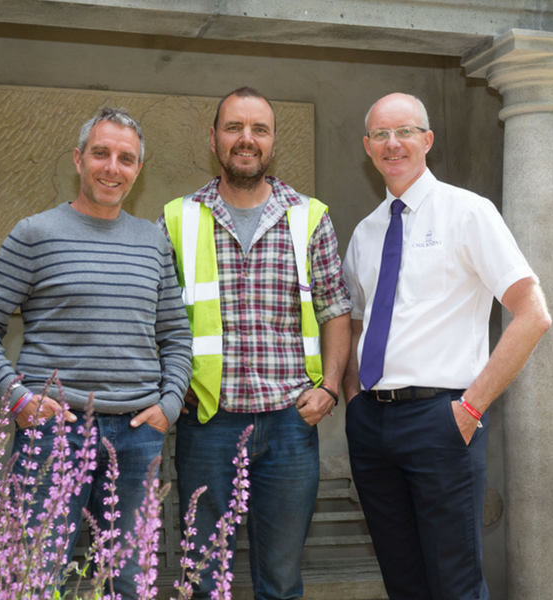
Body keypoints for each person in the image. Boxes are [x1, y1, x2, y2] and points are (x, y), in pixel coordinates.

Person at [0, 107, 192, 594]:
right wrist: (18, 397)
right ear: (78, 159)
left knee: (128, 579)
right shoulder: (35, 233)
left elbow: (175, 334)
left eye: (126, 158)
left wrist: (168, 406)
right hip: (56, 433)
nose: (113, 167)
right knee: (37, 576)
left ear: (138, 169)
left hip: (138, 434)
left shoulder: (153, 242)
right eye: (101, 153)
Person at [341, 92, 552, 600]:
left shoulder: (468, 212)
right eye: (381, 135)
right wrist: (352, 402)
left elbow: (533, 314)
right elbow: (354, 324)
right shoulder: (366, 233)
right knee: (403, 582)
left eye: (405, 132)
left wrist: (470, 407)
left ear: (427, 140)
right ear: (367, 147)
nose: (393, 144)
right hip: (371, 423)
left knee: (455, 585)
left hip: (442, 420)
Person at [157, 87, 351, 600]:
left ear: (272, 141)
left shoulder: (309, 216)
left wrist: (329, 387)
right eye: (234, 127)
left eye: (258, 129)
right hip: (207, 424)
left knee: (282, 581)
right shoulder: (177, 218)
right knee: (200, 577)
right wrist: (174, 390)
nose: (247, 139)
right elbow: (157, 318)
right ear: (215, 139)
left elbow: (335, 308)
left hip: (289, 423)